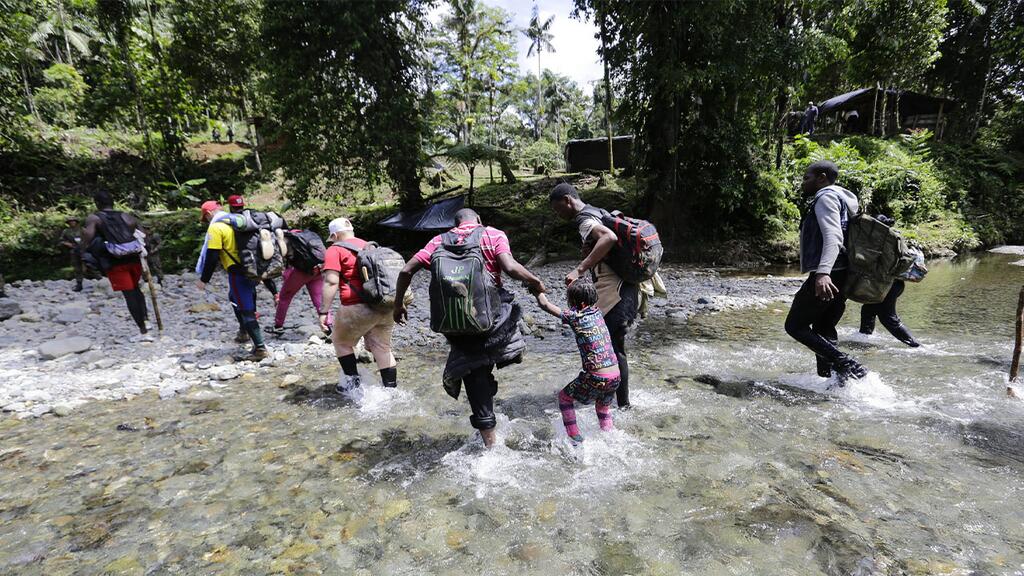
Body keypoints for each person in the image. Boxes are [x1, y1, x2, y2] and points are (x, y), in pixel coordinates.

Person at [393, 208, 545, 448]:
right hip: (492, 319)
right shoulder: (492, 234)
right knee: (507, 314)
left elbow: (405, 270)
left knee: (473, 374)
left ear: (454, 224)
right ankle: (505, 357)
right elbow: (510, 267)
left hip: (455, 322)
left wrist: (398, 304)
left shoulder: (437, 241)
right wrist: (536, 282)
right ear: (479, 220)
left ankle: (489, 441)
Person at [548, 183, 639, 409]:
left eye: (558, 209)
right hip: (625, 290)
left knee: (614, 350)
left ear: (568, 200)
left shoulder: (584, 220)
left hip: (616, 295)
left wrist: (579, 269)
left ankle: (622, 405)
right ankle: (615, 402)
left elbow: (608, 238)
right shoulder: (597, 212)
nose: (559, 215)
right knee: (614, 348)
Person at [784, 160, 867, 384]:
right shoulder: (844, 199)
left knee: (794, 326)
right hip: (844, 273)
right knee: (823, 326)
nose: (803, 183)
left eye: (806, 178)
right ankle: (835, 382)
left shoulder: (826, 197)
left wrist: (823, 273)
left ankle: (847, 364)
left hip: (830, 272)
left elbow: (833, 237)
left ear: (821, 177)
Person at [536, 279, 619, 444]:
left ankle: (575, 438)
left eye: (570, 301)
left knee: (564, 398)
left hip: (596, 376)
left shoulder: (575, 316)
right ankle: (609, 436)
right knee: (602, 407)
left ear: (579, 304)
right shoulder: (598, 313)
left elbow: (545, 305)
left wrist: (536, 289)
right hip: (615, 376)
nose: (569, 305)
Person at [318, 218, 395, 394]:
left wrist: (324, 311)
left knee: (341, 342)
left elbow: (331, 282)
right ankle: (391, 392)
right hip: (385, 305)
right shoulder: (371, 246)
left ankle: (354, 389)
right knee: (382, 348)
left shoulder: (335, 249)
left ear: (334, 235)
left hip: (356, 307)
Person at [195, 200, 269, 361]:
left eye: (205, 218)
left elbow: (212, 256)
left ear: (208, 214)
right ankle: (243, 331)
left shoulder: (216, 227)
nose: (206, 221)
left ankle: (260, 348)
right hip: (253, 268)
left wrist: (204, 279)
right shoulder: (241, 222)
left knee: (245, 308)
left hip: (237, 273)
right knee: (234, 297)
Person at [81, 190, 151, 339]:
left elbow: (88, 236)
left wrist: (85, 253)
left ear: (97, 203)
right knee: (136, 288)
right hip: (134, 259)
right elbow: (143, 233)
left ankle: (143, 331)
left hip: (115, 262)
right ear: (113, 202)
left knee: (129, 295)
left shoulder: (94, 218)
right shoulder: (126, 216)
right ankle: (146, 319)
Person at [858, 216, 920, 347]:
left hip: (888, 285)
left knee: (888, 318)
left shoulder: (882, 240)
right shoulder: (892, 237)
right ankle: (864, 340)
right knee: (868, 310)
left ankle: (915, 346)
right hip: (894, 284)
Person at [268, 228, 330, 336]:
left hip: (301, 272)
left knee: (284, 297)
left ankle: (278, 326)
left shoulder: (288, 240)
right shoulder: (307, 237)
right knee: (319, 298)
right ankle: (328, 326)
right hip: (318, 269)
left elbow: (285, 264)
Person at [227, 194, 279, 301]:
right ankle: (276, 294)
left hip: (247, 257)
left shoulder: (235, 221)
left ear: (230, 207)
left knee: (250, 281)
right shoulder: (252, 217)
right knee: (264, 274)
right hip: (262, 249)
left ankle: (252, 311)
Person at [60, 216, 85, 292]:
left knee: (89, 265)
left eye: (73, 221)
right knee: (77, 267)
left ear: (76, 222)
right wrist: (67, 244)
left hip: (84, 250)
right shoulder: (66, 231)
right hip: (74, 250)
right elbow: (61, 240)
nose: (72, 223)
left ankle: (99, 280)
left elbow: (89, 237)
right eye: (70, 222)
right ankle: (79, 284)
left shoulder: (82, 230)